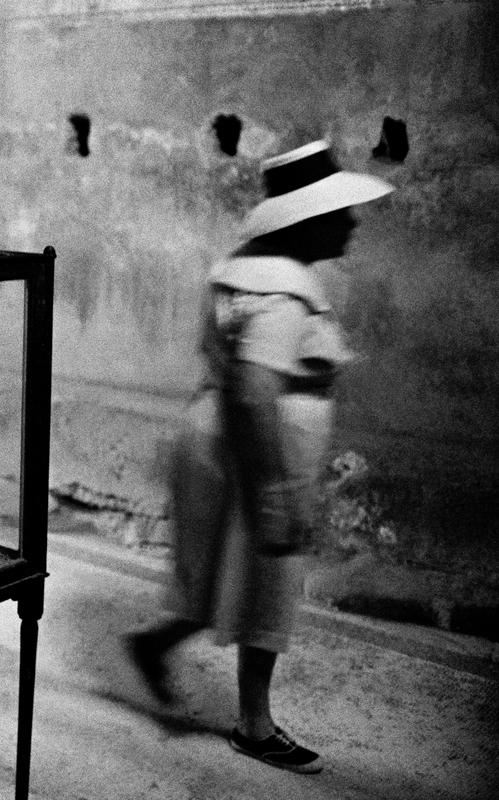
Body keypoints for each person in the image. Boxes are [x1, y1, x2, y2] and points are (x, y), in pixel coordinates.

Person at [126, 141, 394, 774]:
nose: (352, 222)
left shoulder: (245, 268)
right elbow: (254, 392)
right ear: (306, 221)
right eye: (340, 211)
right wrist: (276, 495)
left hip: (219, 436)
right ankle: (255, 724)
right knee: (270, 577)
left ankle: (154, 646)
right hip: (258, 444)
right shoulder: (284, 290)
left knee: (224, 570)